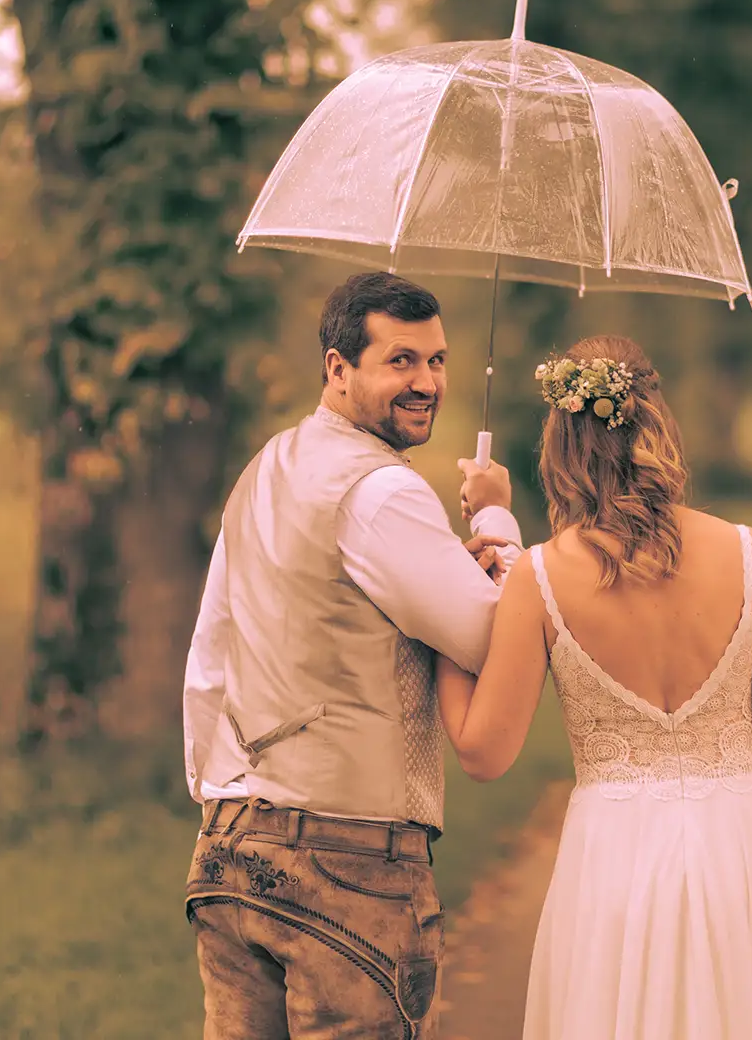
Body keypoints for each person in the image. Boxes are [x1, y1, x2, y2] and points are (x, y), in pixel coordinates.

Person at [436, 334, 752, 1039]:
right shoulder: (748, 554)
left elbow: (484, 753)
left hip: (612, 863)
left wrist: (452, 621)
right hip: (742, 856)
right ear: (657, 423)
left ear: (560, 443)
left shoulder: (537, 578)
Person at [182, 272, 521, 1040]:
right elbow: (494, 640)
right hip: (351, 869)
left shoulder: (266, 466)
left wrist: (219, 791)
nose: (427, 382)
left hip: (230, 852)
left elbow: (211, 652)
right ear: (338, 368)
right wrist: (497, 517)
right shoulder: (383, 493)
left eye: (437, 362)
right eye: (401, 361)